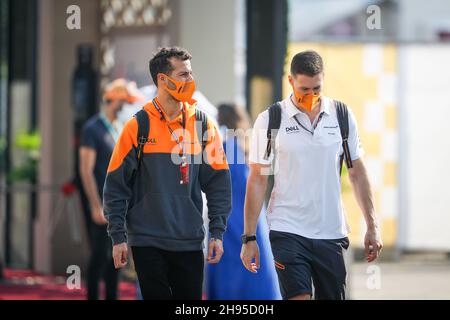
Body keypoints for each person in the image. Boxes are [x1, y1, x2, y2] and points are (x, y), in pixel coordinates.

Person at [240, 50, 383, 300]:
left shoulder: (341, 115)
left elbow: (357, 172)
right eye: (304, 89)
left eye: (316, 88)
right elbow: (257, 179)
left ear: (323, 79)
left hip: (331, 232)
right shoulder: (271, 119)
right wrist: (250, 236)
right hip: (287, 228)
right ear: (291, 81)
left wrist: (372, 225)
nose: (311, 95)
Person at [103, 47, 232, 300]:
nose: (190, 81)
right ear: (163, 79)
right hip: (147, 241)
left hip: (190, 240)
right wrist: (118, 235)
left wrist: (217, 231)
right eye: (183, 74)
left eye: (191, 74)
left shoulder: (204, 125)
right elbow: (116, 186)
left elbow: (218, 183)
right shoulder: (136, 126)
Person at [206, 103, 280, 300]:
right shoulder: (241, 148)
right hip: (251, 221)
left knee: (231, 282)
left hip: (231, 225)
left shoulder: (225, 148)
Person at [79, 78, 144, 300]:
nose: (126, 106)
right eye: (124, 101)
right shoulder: (92, 129)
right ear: (112, 100)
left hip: (122, 205)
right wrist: (96, 205)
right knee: (100, 256)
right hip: (102, 205)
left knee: (118, 256)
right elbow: (85, 170)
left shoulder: (121, 128)